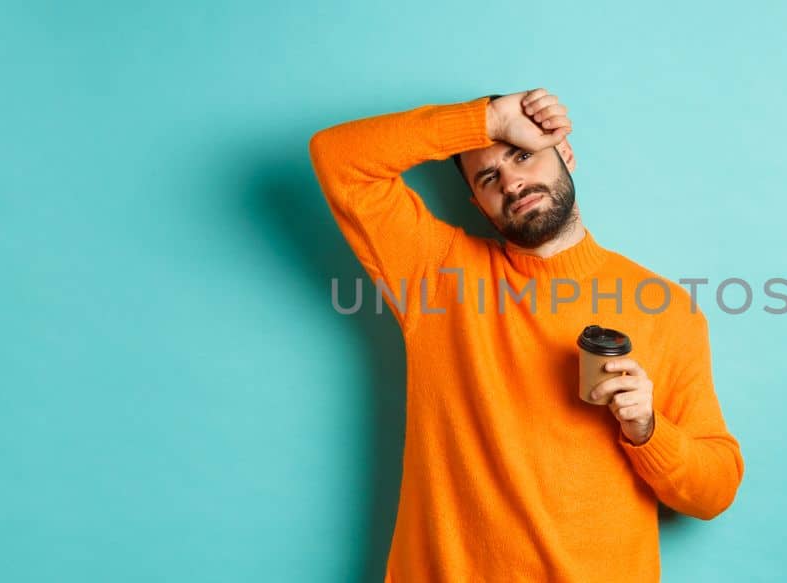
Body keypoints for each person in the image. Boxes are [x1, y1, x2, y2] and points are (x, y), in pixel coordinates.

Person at [309, 89, 744, 582]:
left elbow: (715, 491)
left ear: (566, 153)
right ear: (476, 202)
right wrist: (490, 119)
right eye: (489, 177)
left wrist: (646, 428)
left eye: (523, 155)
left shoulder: (665, 308)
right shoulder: (436, 274)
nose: (513, 181)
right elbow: (338, 156)